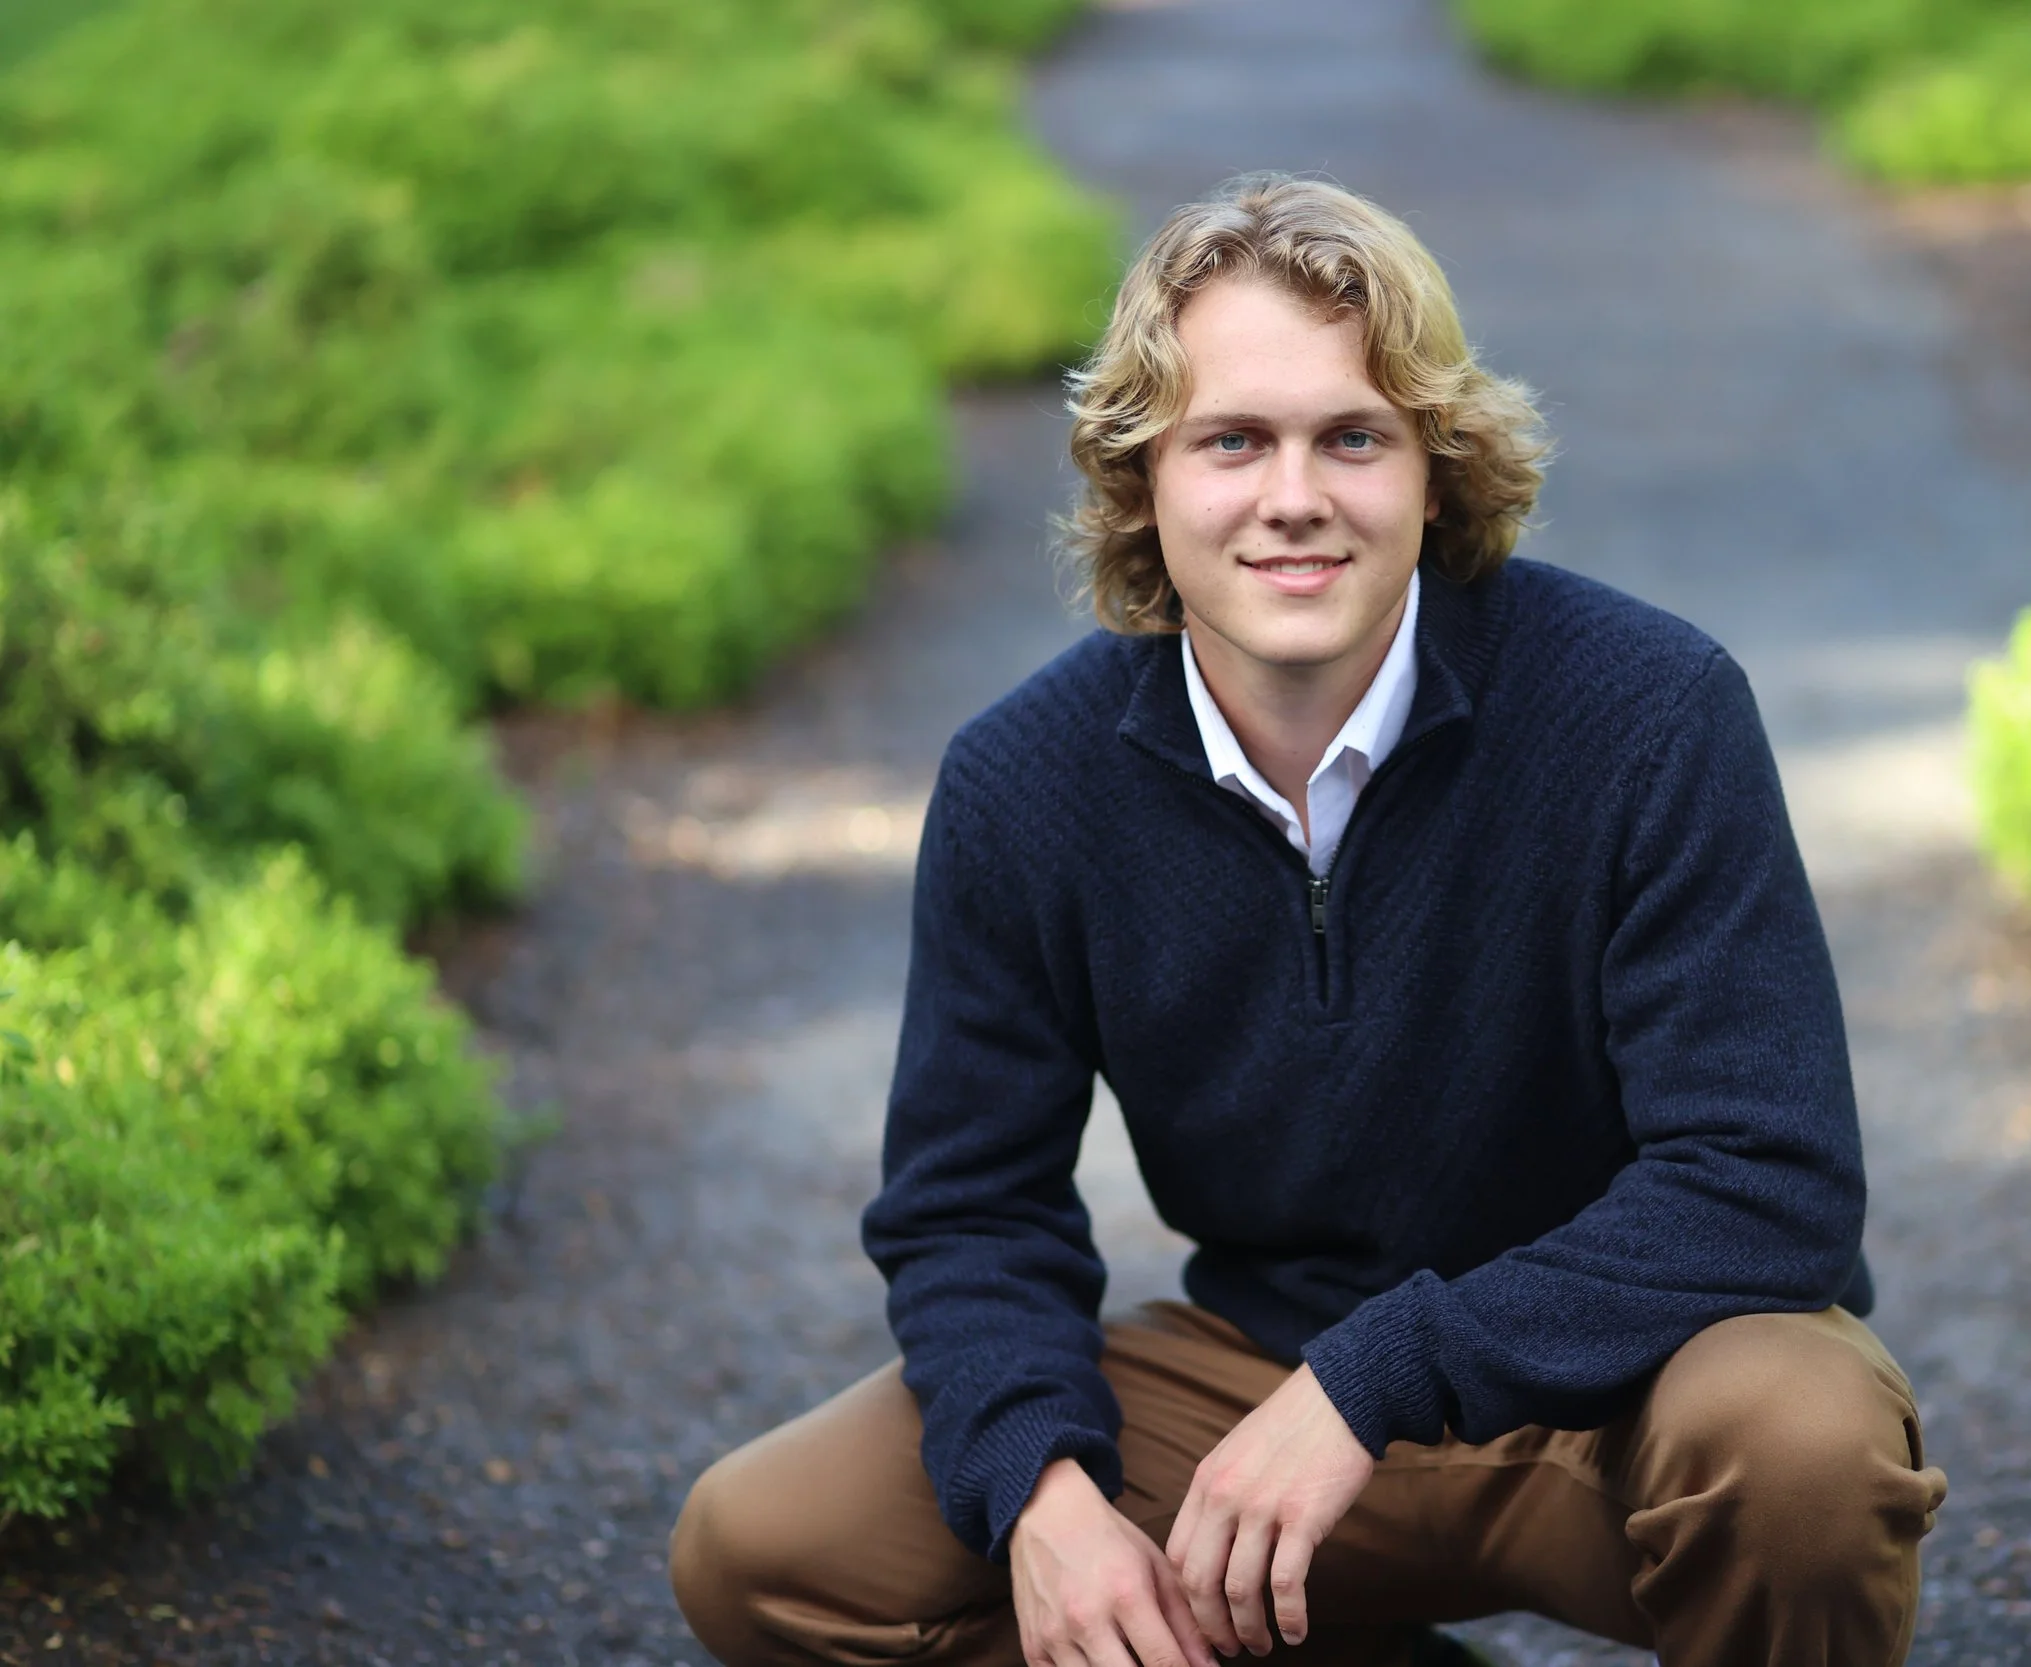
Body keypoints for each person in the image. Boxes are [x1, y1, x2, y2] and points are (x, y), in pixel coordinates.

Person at [670, 173, 1948, 1667]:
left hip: (1628, 1390)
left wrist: (1376, 1377)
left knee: (1804, 1448)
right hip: (1247, 1386)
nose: (1294, 496)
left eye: (1353, 435)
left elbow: (1769, 1179)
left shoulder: (1650, 713)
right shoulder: (1027, 782)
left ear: (1435, 465)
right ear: (1145, 475)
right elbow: (970, 1208)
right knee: (764, 1552)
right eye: (1232, 440)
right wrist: (1043, 1491)